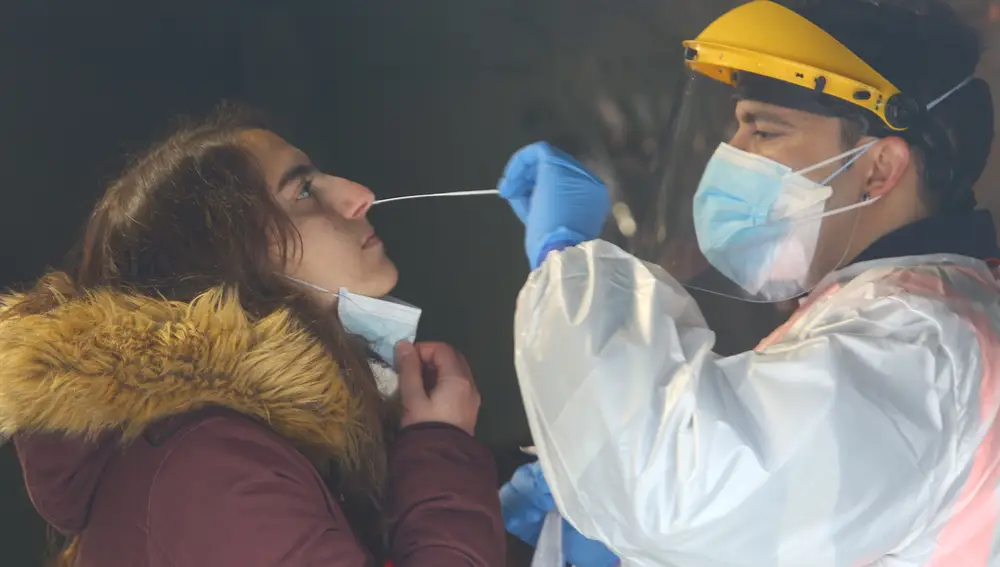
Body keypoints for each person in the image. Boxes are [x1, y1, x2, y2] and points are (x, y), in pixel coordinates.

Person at [497, 0, 1000, 565]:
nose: (731, 156)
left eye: (763, 130)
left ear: (879, 168)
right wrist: (590, 497)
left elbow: (675, 496)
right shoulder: (909, 316)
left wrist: (565, 258)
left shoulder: (920, 345)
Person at [0, 106, 505, 566]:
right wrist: (441, 452)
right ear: (224, 263)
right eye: (303, 191)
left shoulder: (239, 439)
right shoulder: (210, 472)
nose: (359, 196)